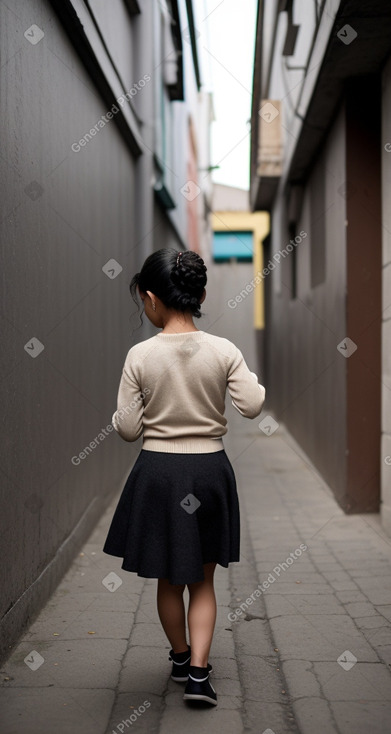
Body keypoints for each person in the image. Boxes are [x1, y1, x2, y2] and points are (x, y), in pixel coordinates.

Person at [103, 247, 266, 706]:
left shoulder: (140, 356)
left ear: (152, 298)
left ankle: (179, 656)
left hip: (158, 472)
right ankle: (199, 675)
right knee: (203, 581)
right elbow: (252, 405)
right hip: (209, 471)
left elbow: (130, 430)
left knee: (169, 580)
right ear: (201, 294)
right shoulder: (224, 350)